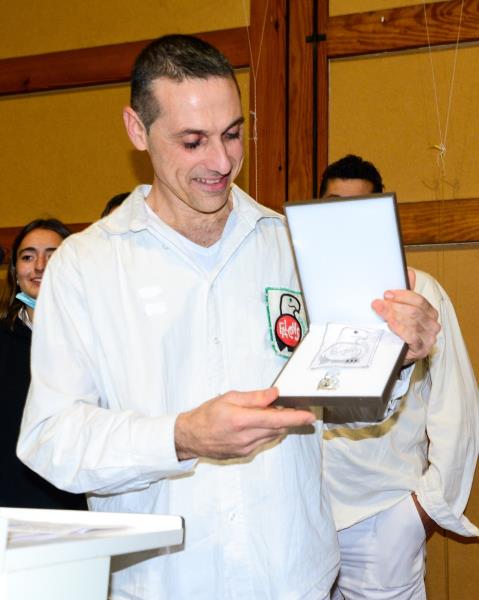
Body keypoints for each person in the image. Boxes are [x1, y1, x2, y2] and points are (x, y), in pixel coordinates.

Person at [17, 37, 439, 599]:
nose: (221, 162)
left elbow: (349, 411)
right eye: (192, 141)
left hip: (294, 577)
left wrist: (397, 356)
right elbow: (51, 440)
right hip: (164, 582)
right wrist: (181, 437)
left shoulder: (290, 243)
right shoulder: (85, 266)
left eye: (233, 133)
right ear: (137, 130)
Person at [320, 155, 479, 600]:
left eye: (361, 209)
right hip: (306, 518)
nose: (347, 220)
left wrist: (425, 508)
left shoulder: (418, 292)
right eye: (334, 206)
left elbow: (458, 406)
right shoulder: (299, 292)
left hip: (385, 516)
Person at [0, 219, 87, 510]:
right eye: (27, 256)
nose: (39, 266)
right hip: (10, 507)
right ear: (15, 271)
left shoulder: (95, 342)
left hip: (76, 507)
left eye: (53, 255)